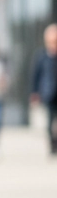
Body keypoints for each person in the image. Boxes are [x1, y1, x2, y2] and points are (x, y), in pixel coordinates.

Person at [30, 24, 57, 155]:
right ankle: (52, 144)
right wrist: (34, 93)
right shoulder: (41, 55)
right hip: (49, 93)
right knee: (50, 122)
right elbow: (36, 75)